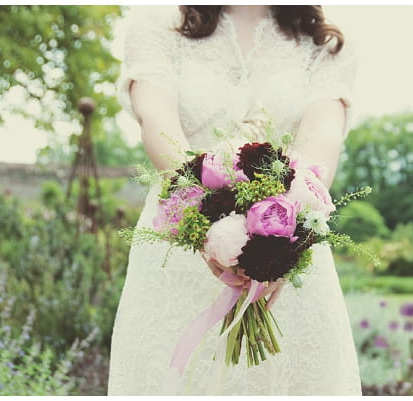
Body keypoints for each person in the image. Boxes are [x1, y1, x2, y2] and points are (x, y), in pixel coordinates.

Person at [108, 5, 361, 395]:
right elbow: (156, 120)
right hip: (180, 247)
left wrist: (280, 241)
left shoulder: (324, 42)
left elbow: (323, 136)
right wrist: (208, 222)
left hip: (287, 248)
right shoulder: (160, 24)